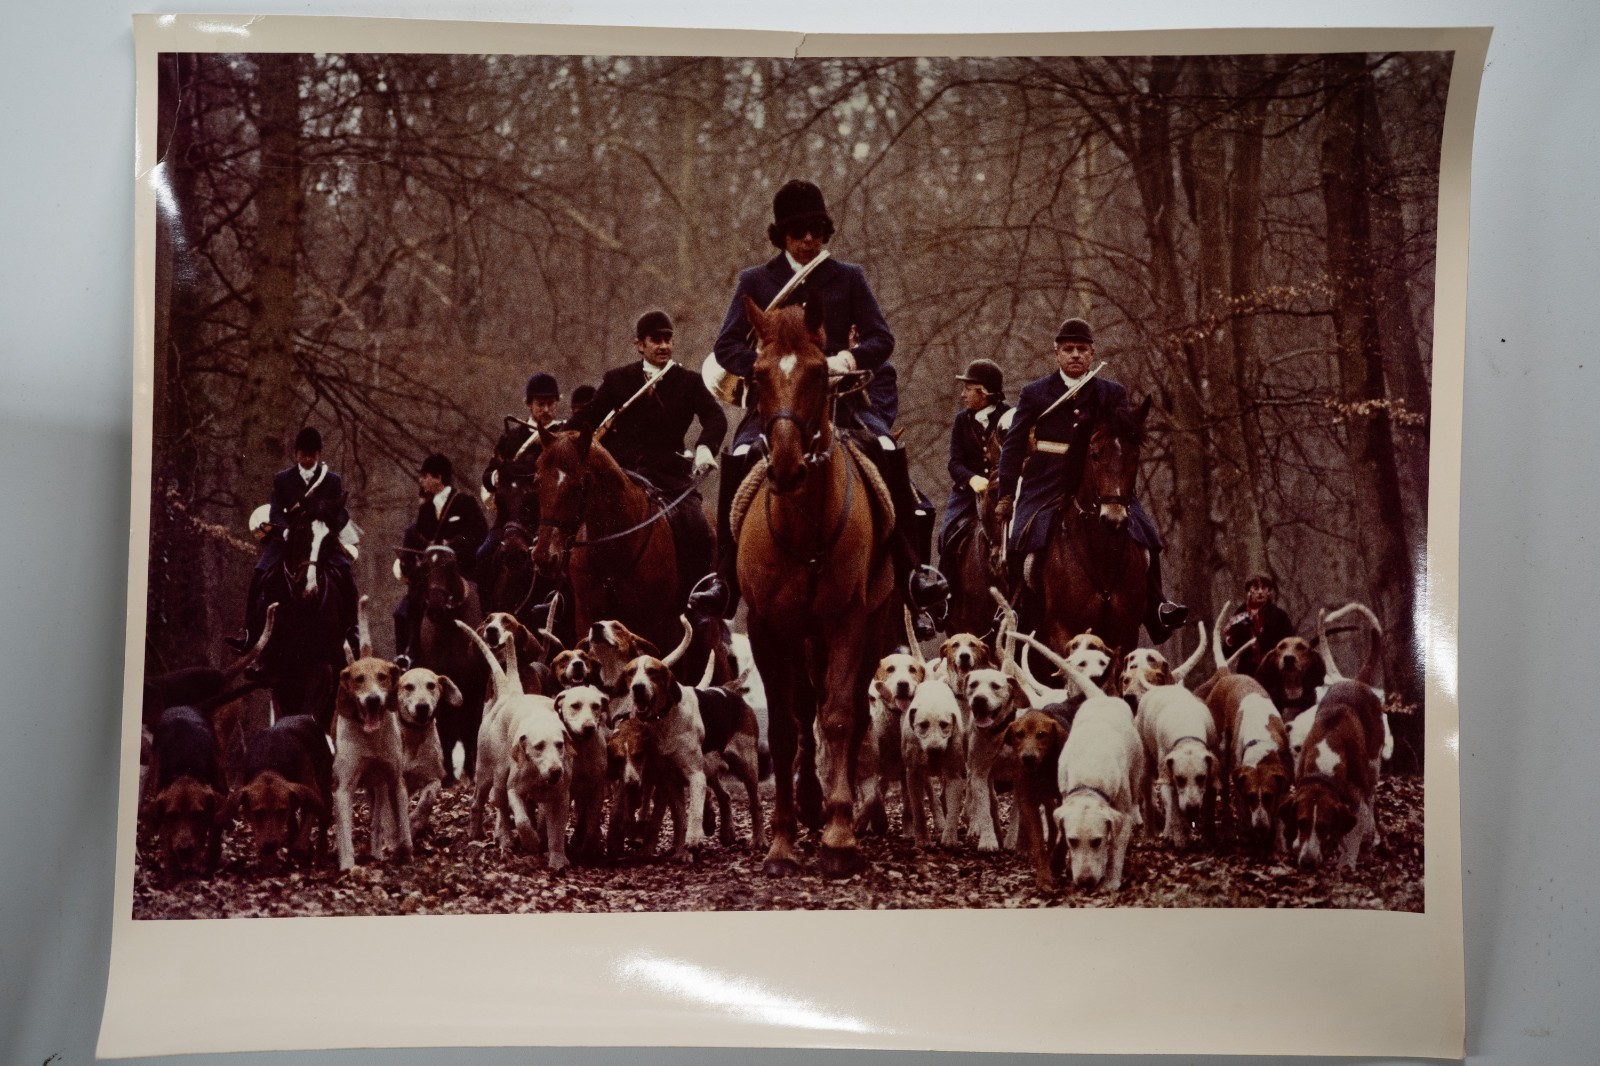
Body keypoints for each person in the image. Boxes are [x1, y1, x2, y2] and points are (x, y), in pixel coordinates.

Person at [701, 178, 947, 636]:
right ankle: (724, 579)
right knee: (737, 457)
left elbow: (882, 338)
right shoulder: (755, 281)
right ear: (783, 236)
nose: (809, 240)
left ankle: (914, 572)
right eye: (799, 232)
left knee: (890, 451)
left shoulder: (848, 277)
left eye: (816, 230)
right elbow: (726, 346)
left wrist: (845, 359)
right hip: (776, 406)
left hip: (843, 402)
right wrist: (766, 368)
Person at [994, 317, 1188, 641]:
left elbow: (1124, 437)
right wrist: (1005, 493)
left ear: (1092, 353)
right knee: (1023, 537)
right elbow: (1013, 447)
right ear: (1056, 354)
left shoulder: (1112, 392)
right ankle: (1014, 607)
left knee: (1146, 534)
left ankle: (1157, 605)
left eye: (1081, 349)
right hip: (1046, 480)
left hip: (1101, 476)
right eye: (1068, 349)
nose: (1075, 355)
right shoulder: (1034, 393)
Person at [567, 310, 727, 603]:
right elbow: (587, 418)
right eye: (656, 340)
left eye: (668, 339)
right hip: (622, 473)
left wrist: (705, 447)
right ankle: (568, 594)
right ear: (640, 345)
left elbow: (716, 418)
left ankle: (698, 600)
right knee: (571, 522)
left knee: (697, 526)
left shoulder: (689, 382)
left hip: (669, 475)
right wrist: (559, 439)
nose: (664, 346)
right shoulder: (617, 380)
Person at [226, 426, 357, 652]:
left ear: (318, 454)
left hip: (320, 537)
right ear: (296, 453)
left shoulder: (332, 481)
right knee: (259, 574)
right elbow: (276, 510)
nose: (307, 459)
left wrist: (328, 519)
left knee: (345, 572)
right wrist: (285, 529)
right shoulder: (283, 479)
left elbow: (342, 512)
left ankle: (351, 630)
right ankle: (248, 632)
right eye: (303, 454)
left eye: (311, 454)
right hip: (289, 538)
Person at [393, 453, 489, 665]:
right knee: (403, 610)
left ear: (439, 478)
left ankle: (489, 649)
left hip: (461, 569)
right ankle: (409, 653)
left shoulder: (464, 502)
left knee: (487, 601)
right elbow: (419, 540)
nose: (422, 481)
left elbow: (479, 531)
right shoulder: (426, 509)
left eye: (425, 476)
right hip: (432, 573)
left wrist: (452, 545)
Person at [937, 357, 1011, 567]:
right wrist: (972, 479)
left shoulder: (1010, 416)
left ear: (984, 392)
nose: (963, 394)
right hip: (968, 495)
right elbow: (955, 463)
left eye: (968, 389)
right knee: (948, 536)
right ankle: (946, 594)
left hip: (1005, 492)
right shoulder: (962, 421)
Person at [1220, 572, 1294, 676]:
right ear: (1248, 591)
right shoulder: (1240, 615)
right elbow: (1227, 652)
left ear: (1269, 591)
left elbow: (1290, 644)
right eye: (1256, 588)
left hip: (1273, 673)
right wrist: (1231, 638)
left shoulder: (1280, 616)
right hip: (1247, 674)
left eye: (1264, 588)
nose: (1260, 592)